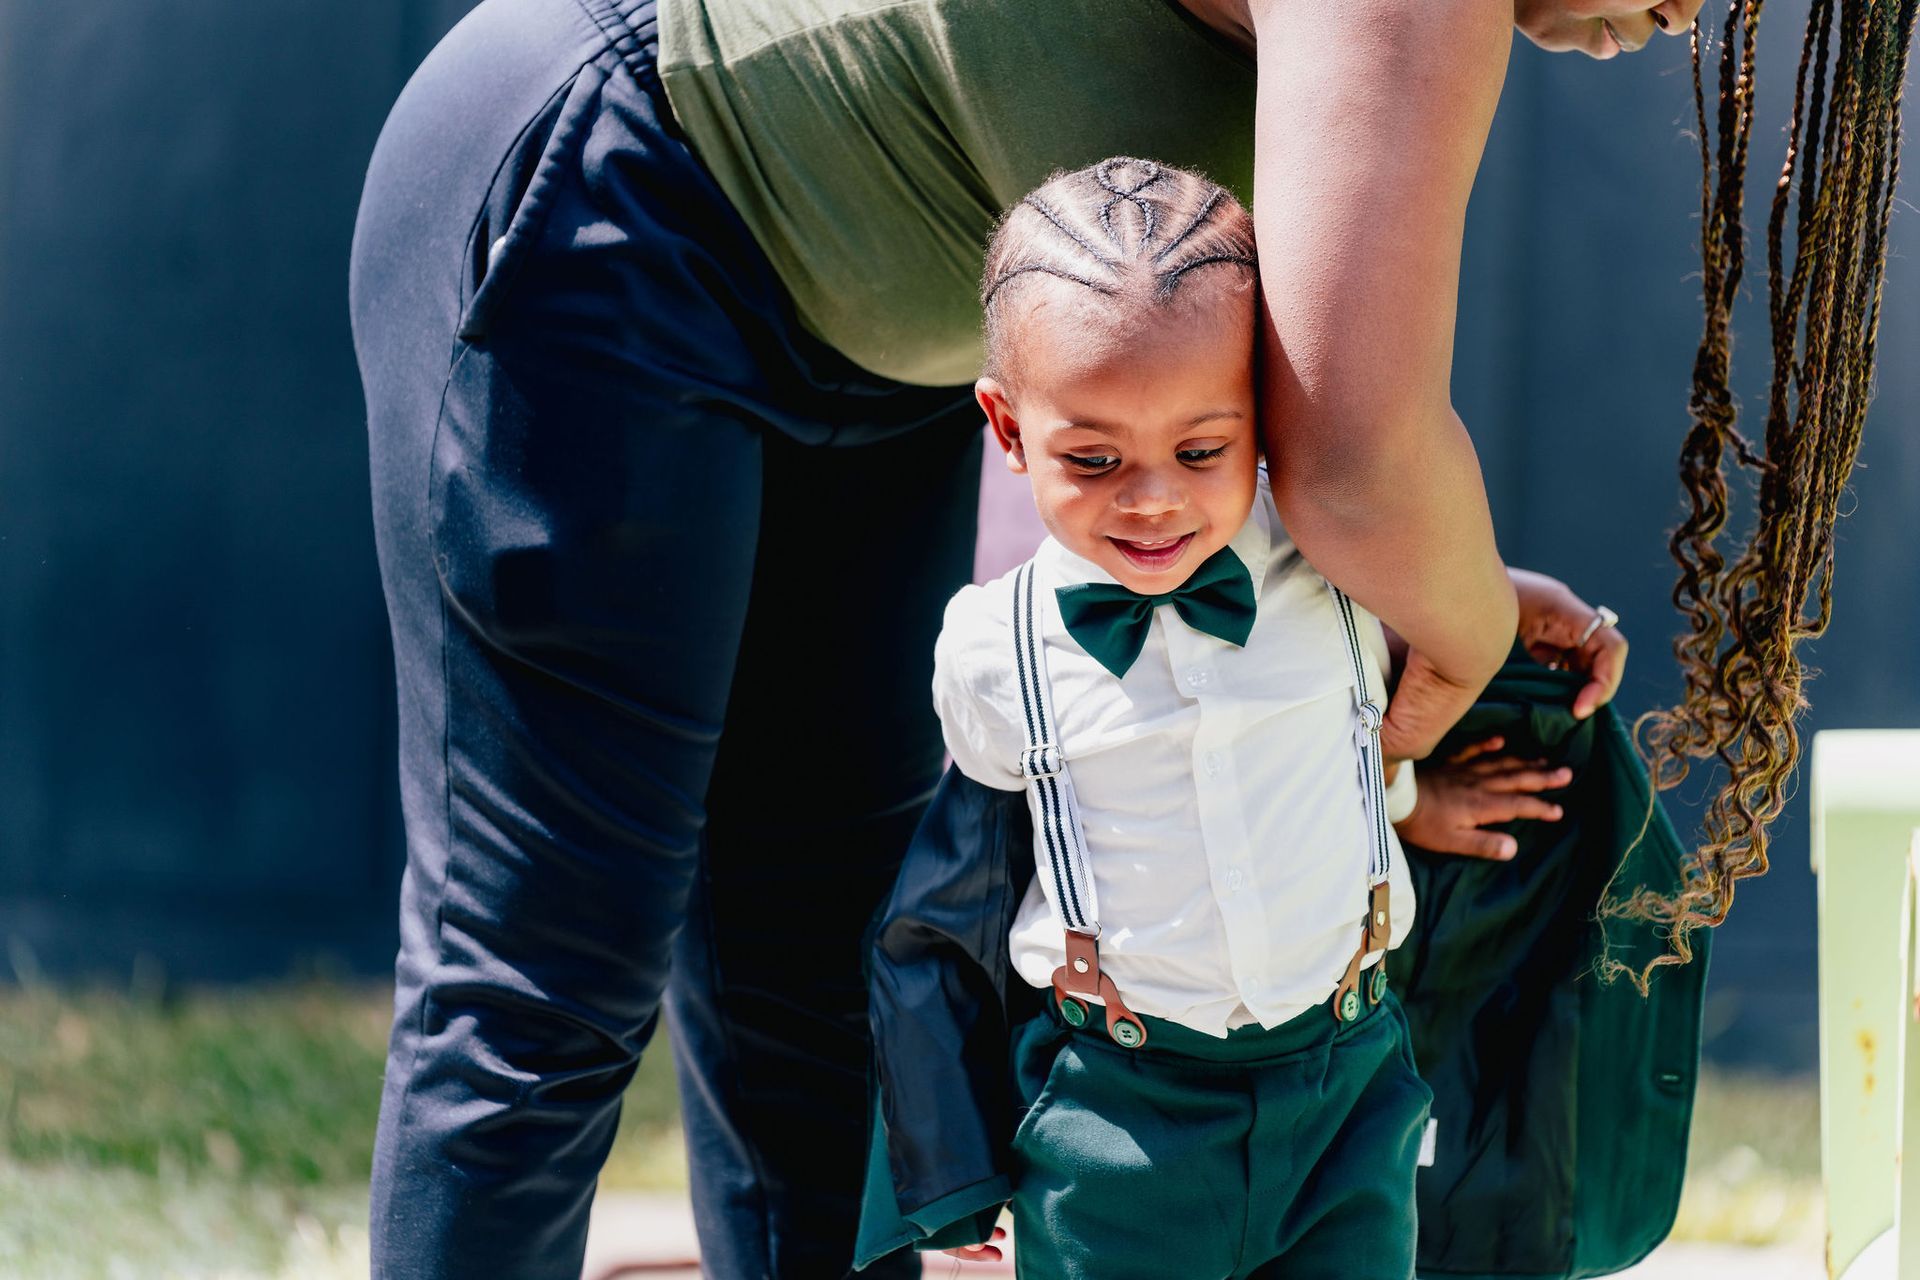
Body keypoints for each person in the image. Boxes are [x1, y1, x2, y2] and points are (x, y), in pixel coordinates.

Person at [348, 0, 1681, 1275]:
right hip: (624, 182)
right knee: (545, 985)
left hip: (878, 340)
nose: (1697, 14)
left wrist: (1432, 586)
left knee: (821, 966)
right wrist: (1456, 612)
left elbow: (1301, 440)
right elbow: (1357, 471)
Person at [855, 159, 1588, 1278]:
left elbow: (1327, 741)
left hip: (1346, 1096)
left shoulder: (1340, 568)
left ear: (1264, 412)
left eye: (1201, 450)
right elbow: (946, 907)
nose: (1152, 497)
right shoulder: (996, 651)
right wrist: (946, 1163)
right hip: (1120, 1125)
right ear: (1008, 428)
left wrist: (1430, 767)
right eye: (1094, 458)